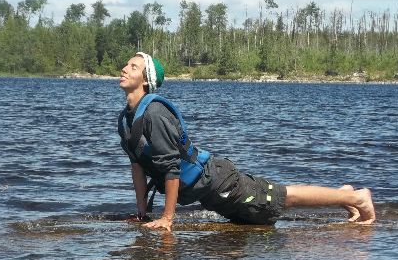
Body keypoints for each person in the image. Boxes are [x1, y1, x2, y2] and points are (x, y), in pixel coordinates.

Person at [118, 52, 376, 232]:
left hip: (221, 182)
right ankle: (344, 194)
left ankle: (357, 198)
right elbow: (137, 166)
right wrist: (142, 213)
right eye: (127, 64)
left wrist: (167, 218)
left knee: (283, 198)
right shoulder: (127, 120)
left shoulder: (155, 113)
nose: (125, 69)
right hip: (212, 196)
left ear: (147, 80)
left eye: (133, 67)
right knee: (270, 214)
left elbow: (171, 167)